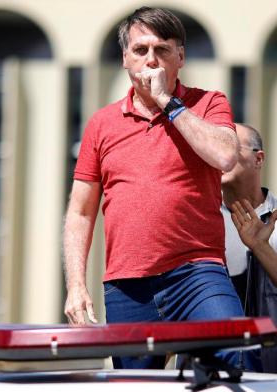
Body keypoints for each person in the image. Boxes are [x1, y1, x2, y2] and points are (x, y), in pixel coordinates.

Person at [63, 6, 243, 369]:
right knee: (136, 386)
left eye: (162, 49)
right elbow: (81, 212)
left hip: (196, 273)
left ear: (181, 57)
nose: (151, 60)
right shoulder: (102, 124)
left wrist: (168, 102)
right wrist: (75, 284)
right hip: (128, 286)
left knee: (233, 356)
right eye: (140, 50)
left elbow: (225, 156)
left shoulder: (208, 103)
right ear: (125, 59)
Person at [221, 123, 277, 372]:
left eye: (230, 146)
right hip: (212, 371)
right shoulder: (198, 223)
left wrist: (260, 248)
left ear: (258, 159)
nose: (220, 155)